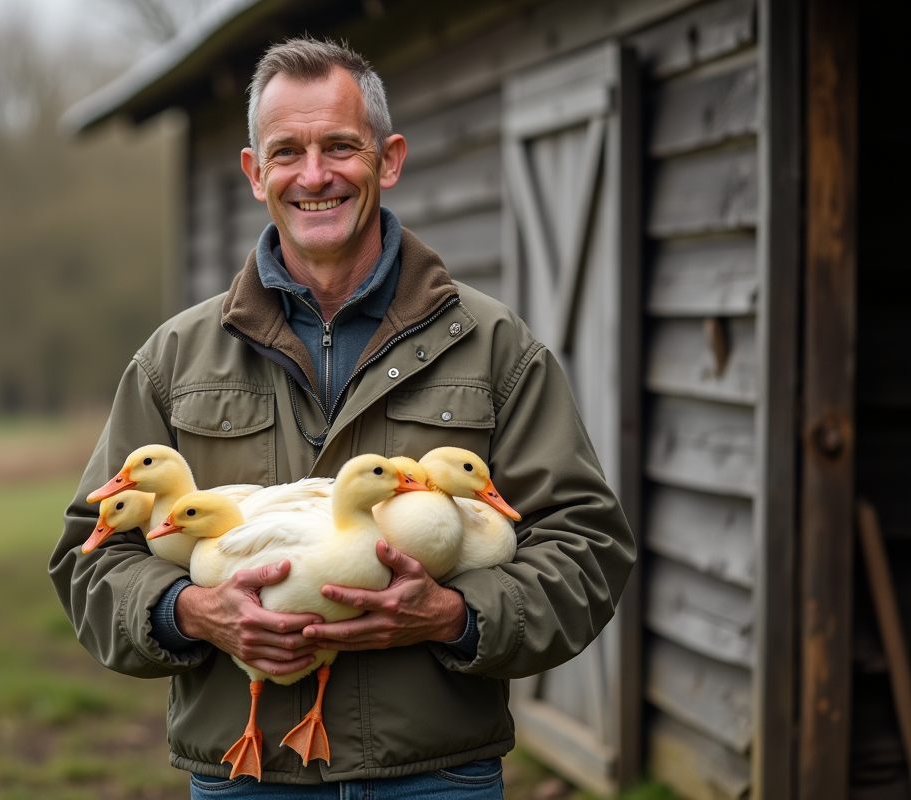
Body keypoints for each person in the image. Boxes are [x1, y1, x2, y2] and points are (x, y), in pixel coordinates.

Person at [49, 37, 635, 798]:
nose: (314, 175)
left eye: (339, 147)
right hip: (246, 776)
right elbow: (88, 558)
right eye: (286, 152)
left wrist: (453, 615)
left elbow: (588, 547)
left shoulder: (493, 346)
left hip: (436, 775)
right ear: (254, 173)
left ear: (388, 160)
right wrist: (190, 611)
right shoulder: (175, 359)